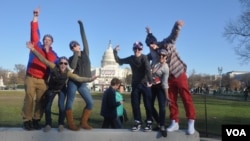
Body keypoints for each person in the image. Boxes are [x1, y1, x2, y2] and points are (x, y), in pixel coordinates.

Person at [26, 42, 97, 132]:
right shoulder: (53, 67)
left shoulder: (68, 72)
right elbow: (43, 60)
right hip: (51, 89)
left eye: (65, 63)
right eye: (61, 63)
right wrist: (33, 50)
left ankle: (61, 124)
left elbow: (78, 78)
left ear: (67, 65)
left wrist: (90, 79)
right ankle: (48, 124)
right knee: (47, 107)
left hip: (61, 89)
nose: (63, 65)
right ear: (58, 63)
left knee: (61, 106)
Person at [145, 20, 196, 135]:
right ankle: (174, 121)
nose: (151, 46)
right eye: (149, 45)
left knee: (186, 97)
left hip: (179, 73)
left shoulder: (165, 43)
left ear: (156, 41)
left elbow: (173, 36)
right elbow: (143, 59)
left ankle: (191, 121)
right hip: (168, 78)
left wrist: (177, 26)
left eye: (152, 43)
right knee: (171, 100)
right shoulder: (153, 54)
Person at [22, 7, 59, 130]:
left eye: (49, 40)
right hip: (31, 77)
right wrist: (36, 17)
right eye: (45, 39)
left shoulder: (54, 54)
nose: (46, 41)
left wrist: (48, 52)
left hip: (43, 80)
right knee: (29, 99)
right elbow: (34, 31)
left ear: (52, 43)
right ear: (42, 41)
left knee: (40, 101)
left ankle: (36, 119)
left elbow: (52, 64)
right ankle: (27, 120)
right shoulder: (36, 45)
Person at [113, 41, 153, 132]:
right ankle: (137, 121)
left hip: (145, 84)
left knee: (148, 104)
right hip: (135, 84)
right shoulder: (131, 58)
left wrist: (150, 81)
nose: (137, 50)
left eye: (139, 49)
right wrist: (115, 51)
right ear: (133, 49)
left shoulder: (144, 58)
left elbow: (147, 69)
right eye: (135, 49)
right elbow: (119, 61)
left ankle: (149, 122)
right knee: (135, 104)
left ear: (142, 49)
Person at [65, 20, 93, 131]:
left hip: (82, 83)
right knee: (70, 101)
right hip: (73, 82)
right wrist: (76, 53)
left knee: (90, 102)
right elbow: (72, 66)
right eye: (73, 46)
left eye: (77, 45)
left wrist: (81, 25)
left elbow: (84, 38)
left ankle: (83, 122)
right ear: (72, 49)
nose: (76, 46)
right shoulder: (71, 58)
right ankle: (70, 124)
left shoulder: (86, 52)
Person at [149, 48, 170, 137]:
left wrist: (167, 96)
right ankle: (158, 122)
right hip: (152, 87)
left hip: (160, 88)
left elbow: (165, 83)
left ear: (166, 58)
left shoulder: (165, 68)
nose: (161, 56)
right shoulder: (154, 63)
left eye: (163, 56)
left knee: (162, 107)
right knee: (149, 106)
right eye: (160, 55)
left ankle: (162, 125)